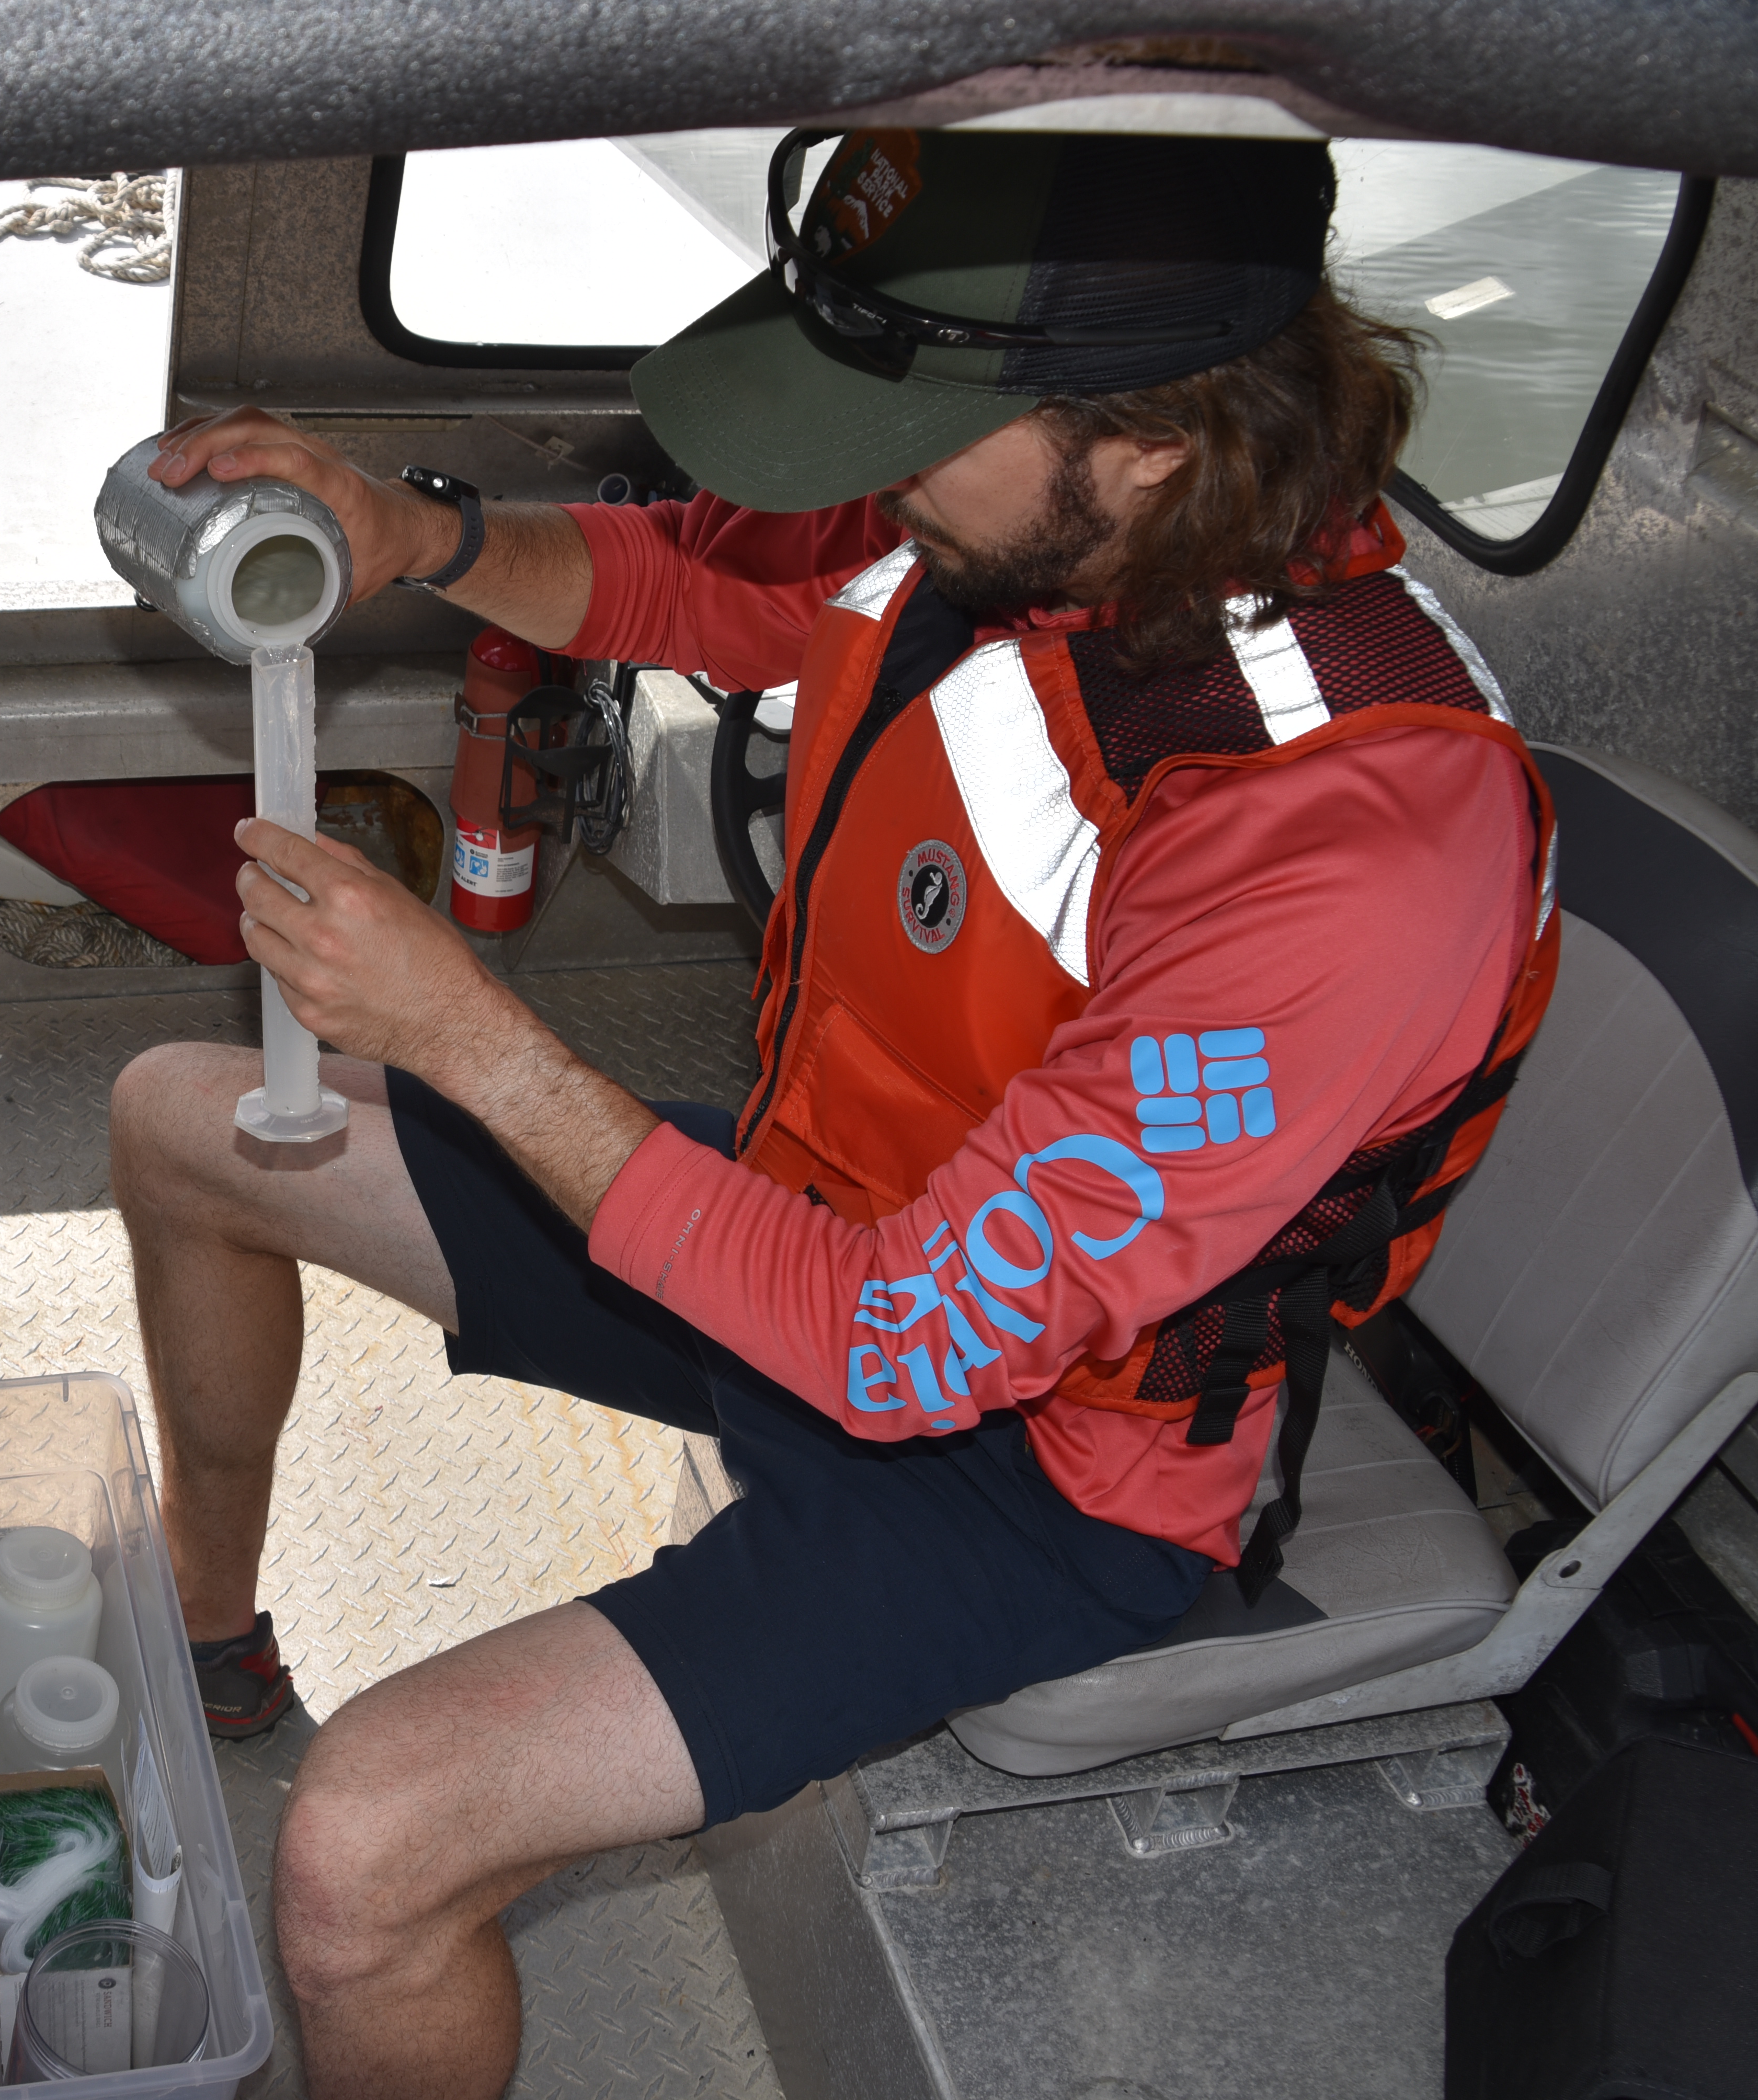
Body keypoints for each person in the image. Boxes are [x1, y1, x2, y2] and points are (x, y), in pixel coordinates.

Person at [106, 127, 1560, 2098]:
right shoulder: (1010, 518)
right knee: (182, 1118)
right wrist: (414, 530)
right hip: (805, 1225)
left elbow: (901, 1343)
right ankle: (206, 1634)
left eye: (913, 419)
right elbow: (691, 585)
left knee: (367, 1852)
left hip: (1038, 1468)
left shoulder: (1348, 844)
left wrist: (471, 1040)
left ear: (1150, 442)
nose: (869, 472)